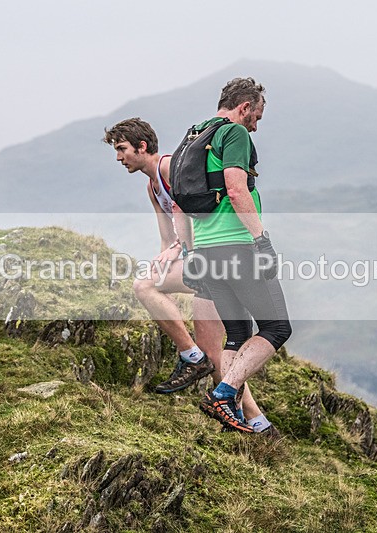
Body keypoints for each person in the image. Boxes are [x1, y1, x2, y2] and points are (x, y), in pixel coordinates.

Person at [102, 118, 276, 434]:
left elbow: (194, 213)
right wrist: (165, 254)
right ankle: (258, 422)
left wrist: (184, 250)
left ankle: (192, 357)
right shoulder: (152, 185)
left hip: (210, 259)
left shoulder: (170, 168)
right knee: (215, 352)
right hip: (198, 262)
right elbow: (167, 238)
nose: (118, 157)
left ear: (142, 146)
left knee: (145, 287)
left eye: (122, 149)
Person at [174, 77, 292, 433]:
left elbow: (178, 204)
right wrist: (261, 241)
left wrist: (190, 251)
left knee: (238, 334)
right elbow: (236, 190)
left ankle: (233, 414)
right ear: (244, 108)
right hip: (237, 244)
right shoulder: (234, 134)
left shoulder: (195, 135)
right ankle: (224, 393)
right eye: (255, 116)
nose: (255, 126)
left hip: (207, 249)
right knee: (277, 327)